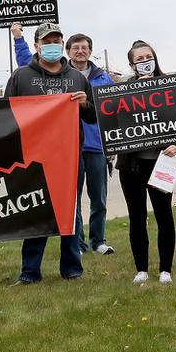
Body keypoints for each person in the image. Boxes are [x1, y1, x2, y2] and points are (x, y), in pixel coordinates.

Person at [4, 22, 97, 284]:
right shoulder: (21, 76)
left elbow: (92, 117)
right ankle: (30, 272)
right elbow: (5, 115)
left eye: (57, 40)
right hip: (33, 157)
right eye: (47, 41)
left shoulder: (77, 78)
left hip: (69, 157)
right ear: (37, 46)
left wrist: (84, 104)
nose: (52, 46)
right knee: (35, 210)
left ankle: (72, 268)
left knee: (70, 210)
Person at [13, 22, 115, 255]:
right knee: (61, 204)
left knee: (95, 199)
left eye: (84, 47)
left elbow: (102, 114)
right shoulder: (25, 76)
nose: (80, 51)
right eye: (46, 43)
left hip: (92, 147)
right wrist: (17, 37)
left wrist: (111, 142)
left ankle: (92, 245)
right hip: (49, 152)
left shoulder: (90, 79)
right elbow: (9, 112)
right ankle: (68, 250)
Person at [115, 41, 176, 285]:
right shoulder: (124, 90)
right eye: (139, 58)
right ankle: (141, 268)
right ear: (132, 64)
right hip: (131, 166)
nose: (145, 61)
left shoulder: (171, 86)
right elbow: (114, 124)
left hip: (162, 165)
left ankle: (166, 269)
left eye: (148, 56)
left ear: (155, 57)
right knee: (136, 216)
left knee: (164, 216)